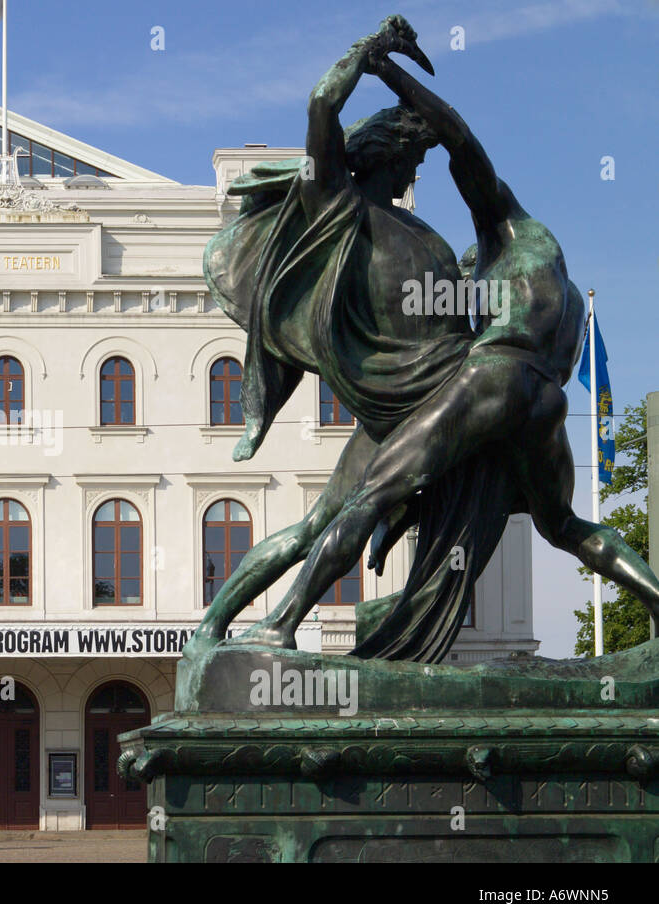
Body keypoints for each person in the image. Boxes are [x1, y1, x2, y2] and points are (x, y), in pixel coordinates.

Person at [232, 27, 659, 655]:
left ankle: (281, 625)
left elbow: (457, 137)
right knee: (565, 525)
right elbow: (432, 134)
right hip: (546, 403)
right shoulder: (546, 258)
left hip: (493, 381)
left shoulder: (495, 229)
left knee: (371, 494)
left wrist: (384, 68)